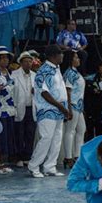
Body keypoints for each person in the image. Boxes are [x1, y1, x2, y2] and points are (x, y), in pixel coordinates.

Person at [28, 45, 71, 178]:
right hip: (47, 110)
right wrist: (61, 107)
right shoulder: (44, 71)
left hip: (58, 110)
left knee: (57, 138)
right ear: (53, 56)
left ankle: (49, 166)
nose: (62, 56)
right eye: (60, 54)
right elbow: (44, 93)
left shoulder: (56, 69)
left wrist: (65, 107)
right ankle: (34, 166)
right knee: (46, 138)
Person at [11, 52, 37, 169]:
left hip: (31, 108)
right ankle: (19, 157)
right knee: (19, 134)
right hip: (19, 107)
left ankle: (27, 157)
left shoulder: (35, 75)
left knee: (30, 134)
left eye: (30, 61)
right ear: (21, 62)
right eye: (25, 61)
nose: (28, 63)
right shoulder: (14, 75)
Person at [61, 51, 86, 169]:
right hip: (73, 104)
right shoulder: (69, 73)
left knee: (82, 129)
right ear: (70, 60)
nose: (78, 59)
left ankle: (77, 155)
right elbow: (67, 91)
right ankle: (68, 157)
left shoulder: (76, 72)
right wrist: (69, 108)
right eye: (76, 57)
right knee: (70, 130)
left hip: (79, 106)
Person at [0, 46, 16, 175]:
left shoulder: (9, 73)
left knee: (6, 138)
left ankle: (3, 163)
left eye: (7, 57)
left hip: (9, 109)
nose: (5, 60)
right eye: (2, 57)